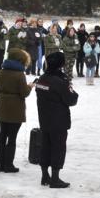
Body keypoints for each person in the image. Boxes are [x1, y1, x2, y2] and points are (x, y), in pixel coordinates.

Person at [35, 51, 79, 188]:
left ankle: (45, 175)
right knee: (58, 148)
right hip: (58, 120)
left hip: (44, 118)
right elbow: (71, 100)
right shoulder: (60, 82)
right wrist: (73, 92)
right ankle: (55, 177)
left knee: (45, 146)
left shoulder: (41, 79)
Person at [0, 48, 32, 173]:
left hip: (3, 106)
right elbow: (24, 93)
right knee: (12, 137)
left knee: (2, 134)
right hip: (16, 108)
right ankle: (9, 164)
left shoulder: (1, 71)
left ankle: (1, 163)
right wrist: (30, 87)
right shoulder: (20, 75)